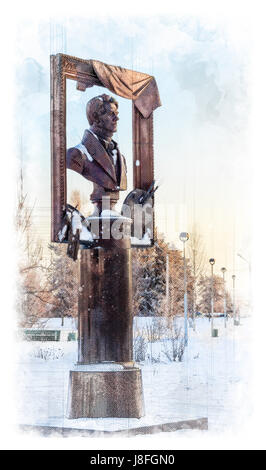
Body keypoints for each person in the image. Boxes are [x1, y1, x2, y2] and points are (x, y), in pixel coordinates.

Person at [66, 94, 127, 214]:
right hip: (98, 215)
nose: (116, 118)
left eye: (116, 114)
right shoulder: (76, 155)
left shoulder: (121, 159)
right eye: (111, 114)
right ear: (95, 118)